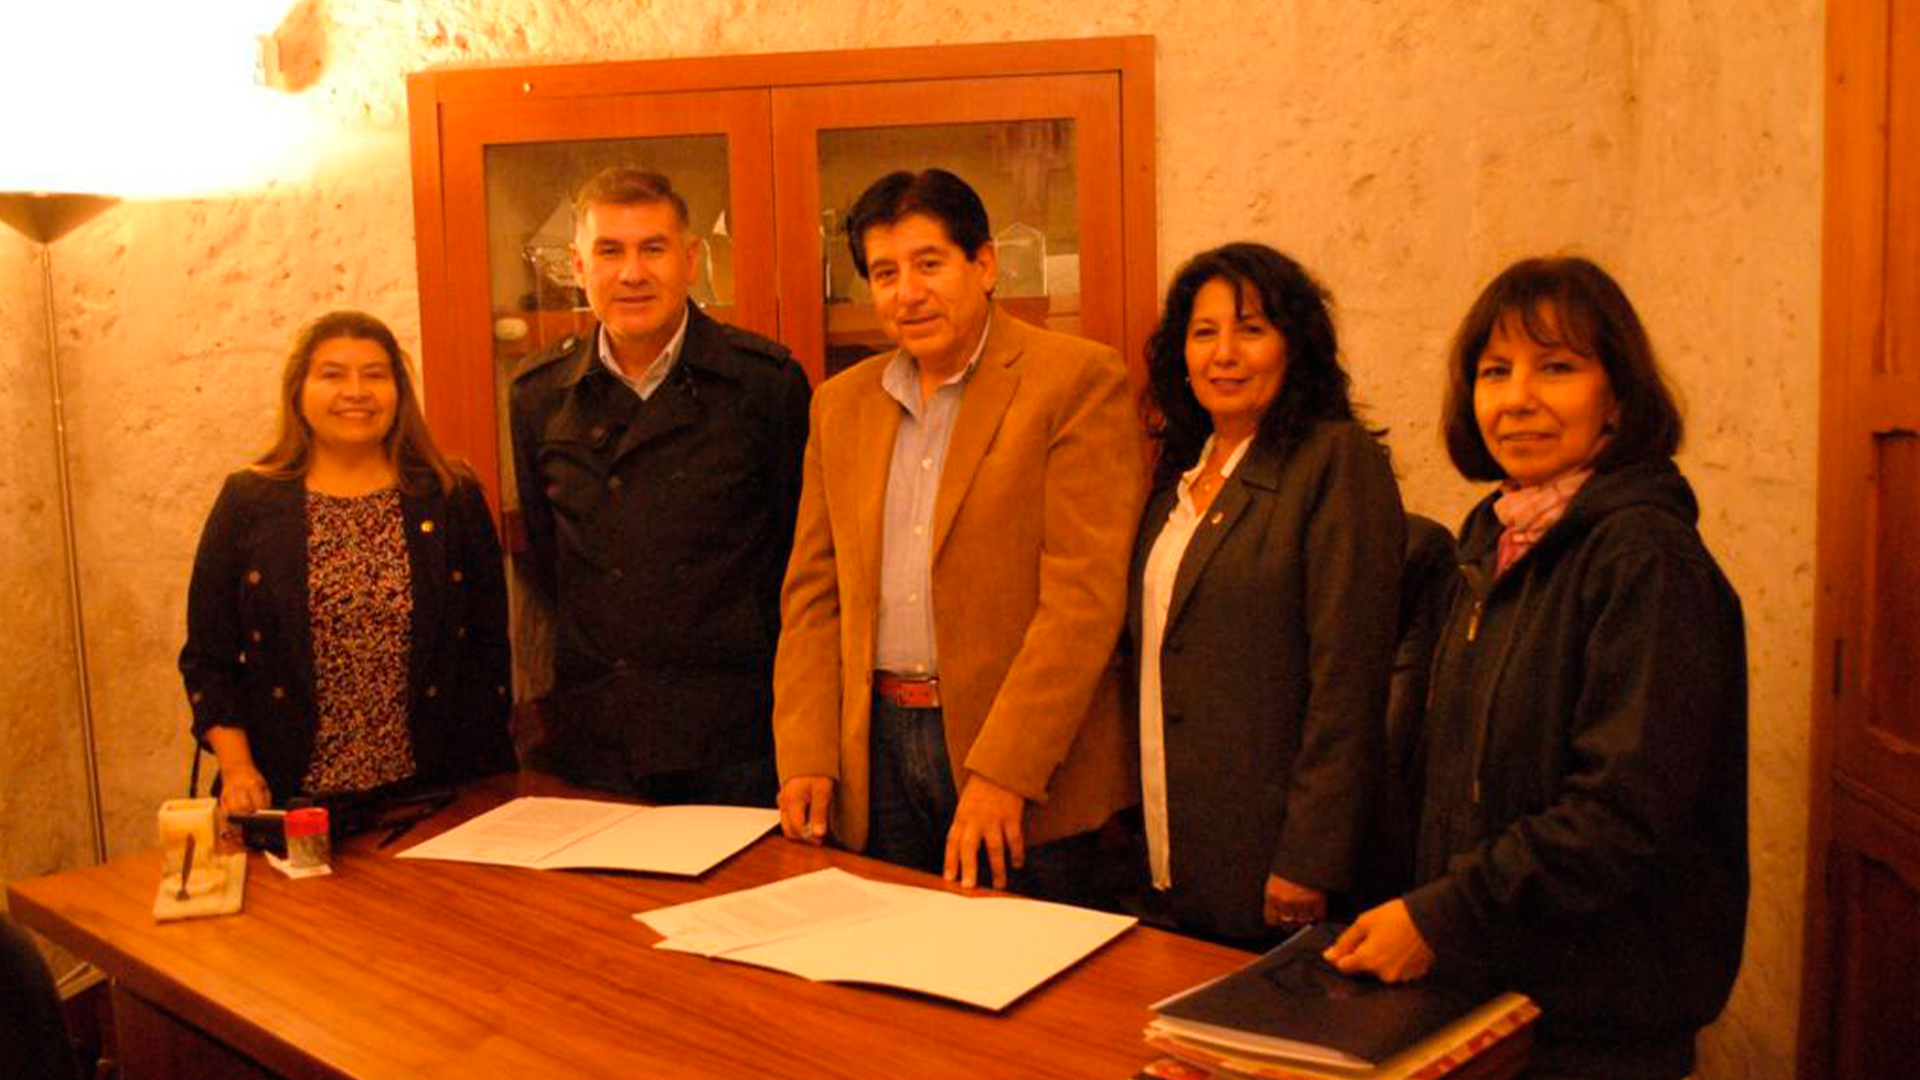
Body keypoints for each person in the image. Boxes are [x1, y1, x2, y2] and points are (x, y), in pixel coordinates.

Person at [1325, 257, 1748, 1080]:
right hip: (1495, 983)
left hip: (1600, 1011)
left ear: (1618, 395)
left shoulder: (1645, 558)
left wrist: (1445, 915)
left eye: (1556, 367)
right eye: (1494, 371)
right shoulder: (1496, 537)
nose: (1517, 398)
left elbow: (1619, 812)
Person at [773, 168, 1146, 900]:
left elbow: (1084, 600)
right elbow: (815, 595)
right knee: (888, 984)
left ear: (984, 264)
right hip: (874, 751)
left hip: (1020, 764)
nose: (907, 292)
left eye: (928, 264)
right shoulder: (840, 406)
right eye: (884, 273)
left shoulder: (1074, 381)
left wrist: (1004, 772)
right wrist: (808, 752)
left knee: (1031, 987)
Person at [1128, 243, 1404, 941]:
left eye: (1251, 329)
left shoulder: (1336, 463)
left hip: (1273, 857)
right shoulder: (1176, 481)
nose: (1225, 353)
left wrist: (1311, 858)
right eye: (1204, 332)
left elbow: (1348, 678)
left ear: (1294, 346)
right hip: (1173, 849)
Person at [510, 168, 811, 807]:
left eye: (653, 248)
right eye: (609, 251)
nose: (632, 273)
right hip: (599, 736)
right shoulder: (538, 395)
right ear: (577, 265)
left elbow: (801, 563)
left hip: (738, 738)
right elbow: (547, 560)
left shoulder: (764, 384)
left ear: (691, 259)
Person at [181, 311, 514, 815]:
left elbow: (488, 651)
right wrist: (238, 770)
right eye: (332, 374)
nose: (356, 391)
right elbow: (210, 658)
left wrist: (489, 787)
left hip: (432, 798)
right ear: (299, 390)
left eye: (375, 374)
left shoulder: (451, 496)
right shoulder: (248, 501)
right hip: (293, 801)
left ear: (399, 391)